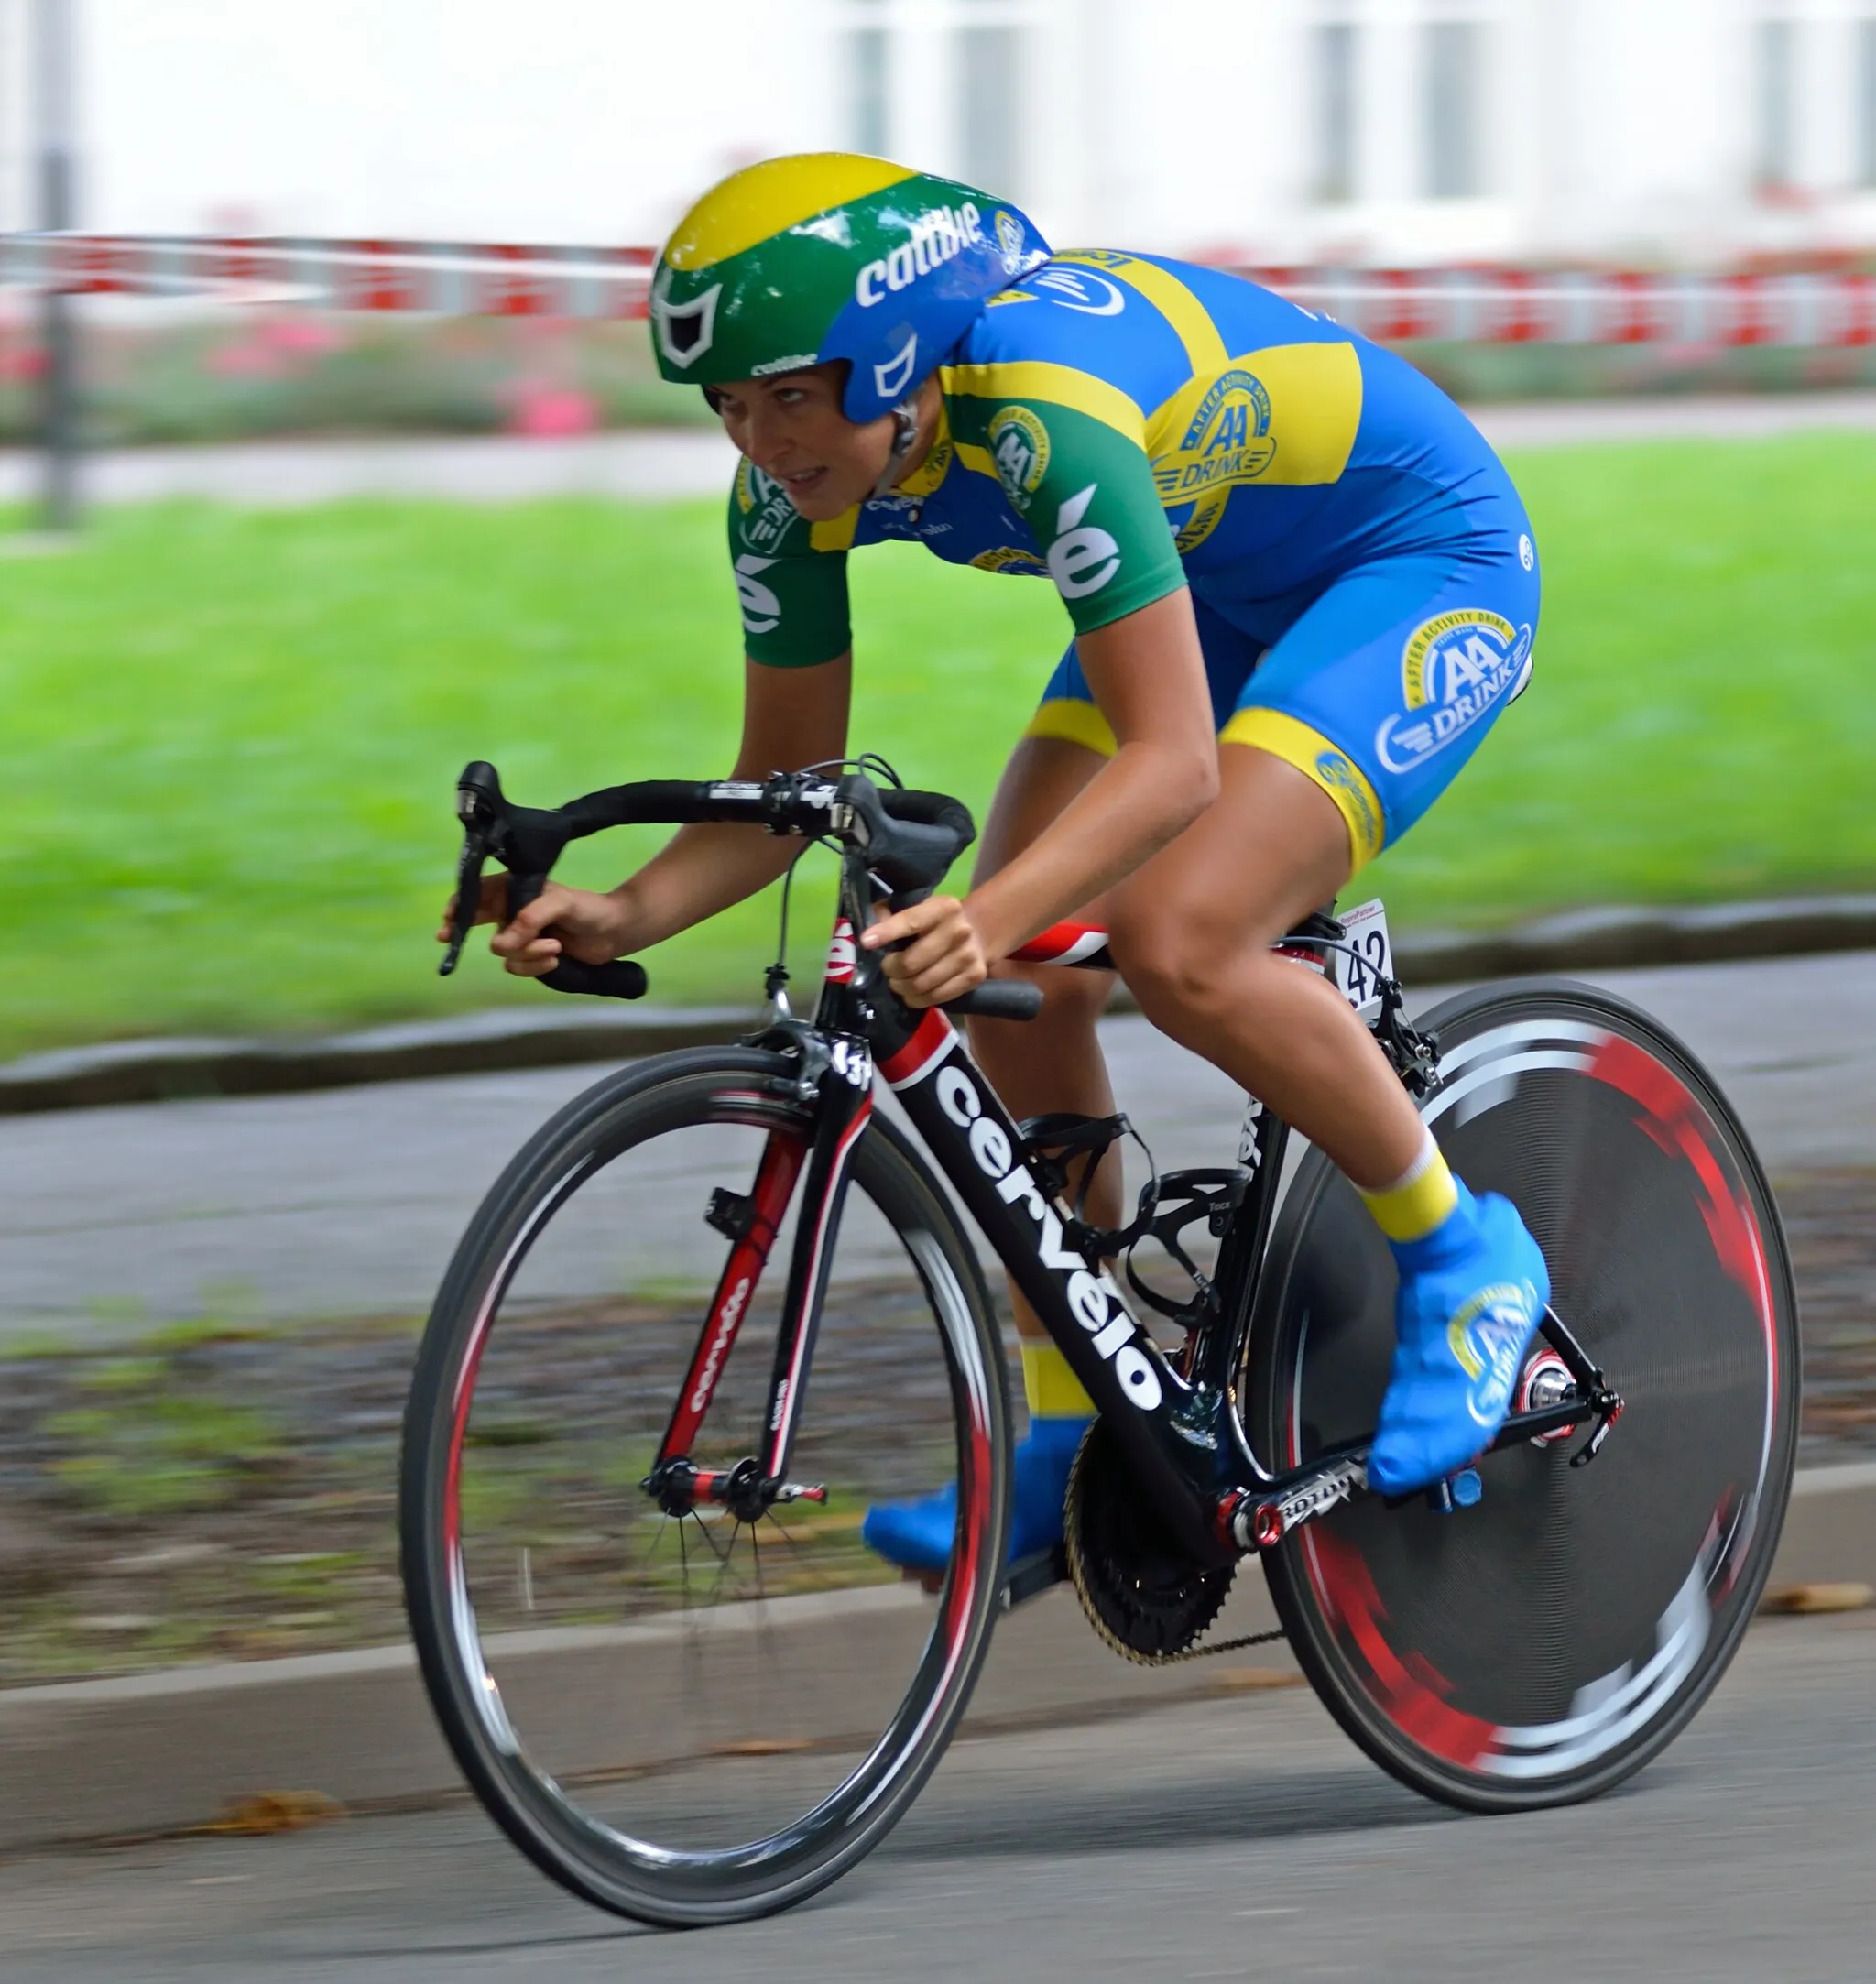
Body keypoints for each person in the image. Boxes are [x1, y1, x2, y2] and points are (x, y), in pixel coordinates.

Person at [452, 152, 1549, 1576]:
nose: (761, 442)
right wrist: (625, 906)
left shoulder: (1044, 406)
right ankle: (1069, 1429)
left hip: (1416, 561)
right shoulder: (788, 495)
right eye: (727, 405)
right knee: (1003, 978)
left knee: (1181, 935)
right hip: (1214, 578)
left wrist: (989, 909)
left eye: (791, 393)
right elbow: (784, 780)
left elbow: (1172, 768)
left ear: (898, 356)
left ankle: (1464, 1257)